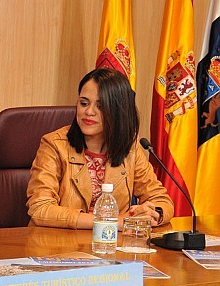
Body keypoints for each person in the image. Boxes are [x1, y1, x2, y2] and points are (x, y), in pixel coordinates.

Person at [27, 67, 174, 229]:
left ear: (118, 111)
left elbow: (162, 200)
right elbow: (40, 209)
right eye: (83, 103)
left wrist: (153, 214)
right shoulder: (54, 144)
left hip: (111, 247)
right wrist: (115, 222)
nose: (88, 112)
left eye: (101, 106)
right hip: (59, 246)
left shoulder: (129, 147)